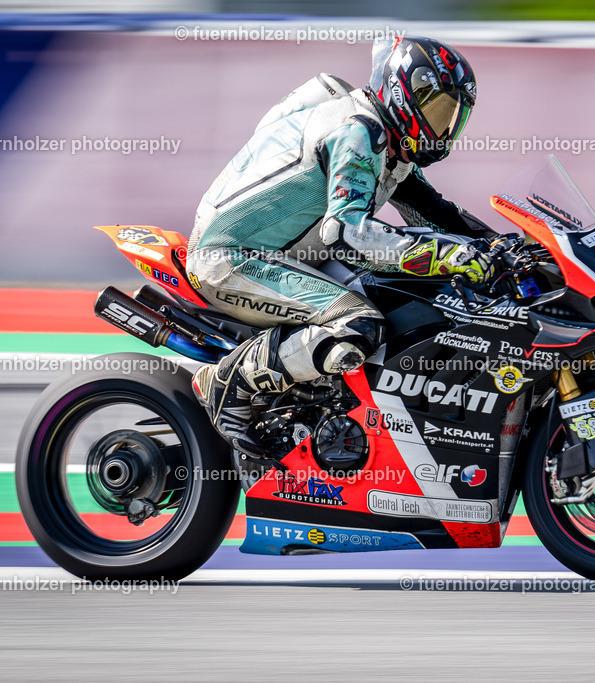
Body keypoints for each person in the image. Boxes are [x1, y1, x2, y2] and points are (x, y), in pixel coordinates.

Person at [185, 36, 495, 455]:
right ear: (403, 92)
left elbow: (436, 212)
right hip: (232, 259)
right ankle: (226, 382)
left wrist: (506, 246)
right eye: (439, 110)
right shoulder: (358, 131)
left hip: (292, 254)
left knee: (401, 297)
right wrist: (451, 256)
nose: (444, 128)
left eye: (454, 117)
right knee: (358, 323)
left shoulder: (391, 142)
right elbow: (348, 234)